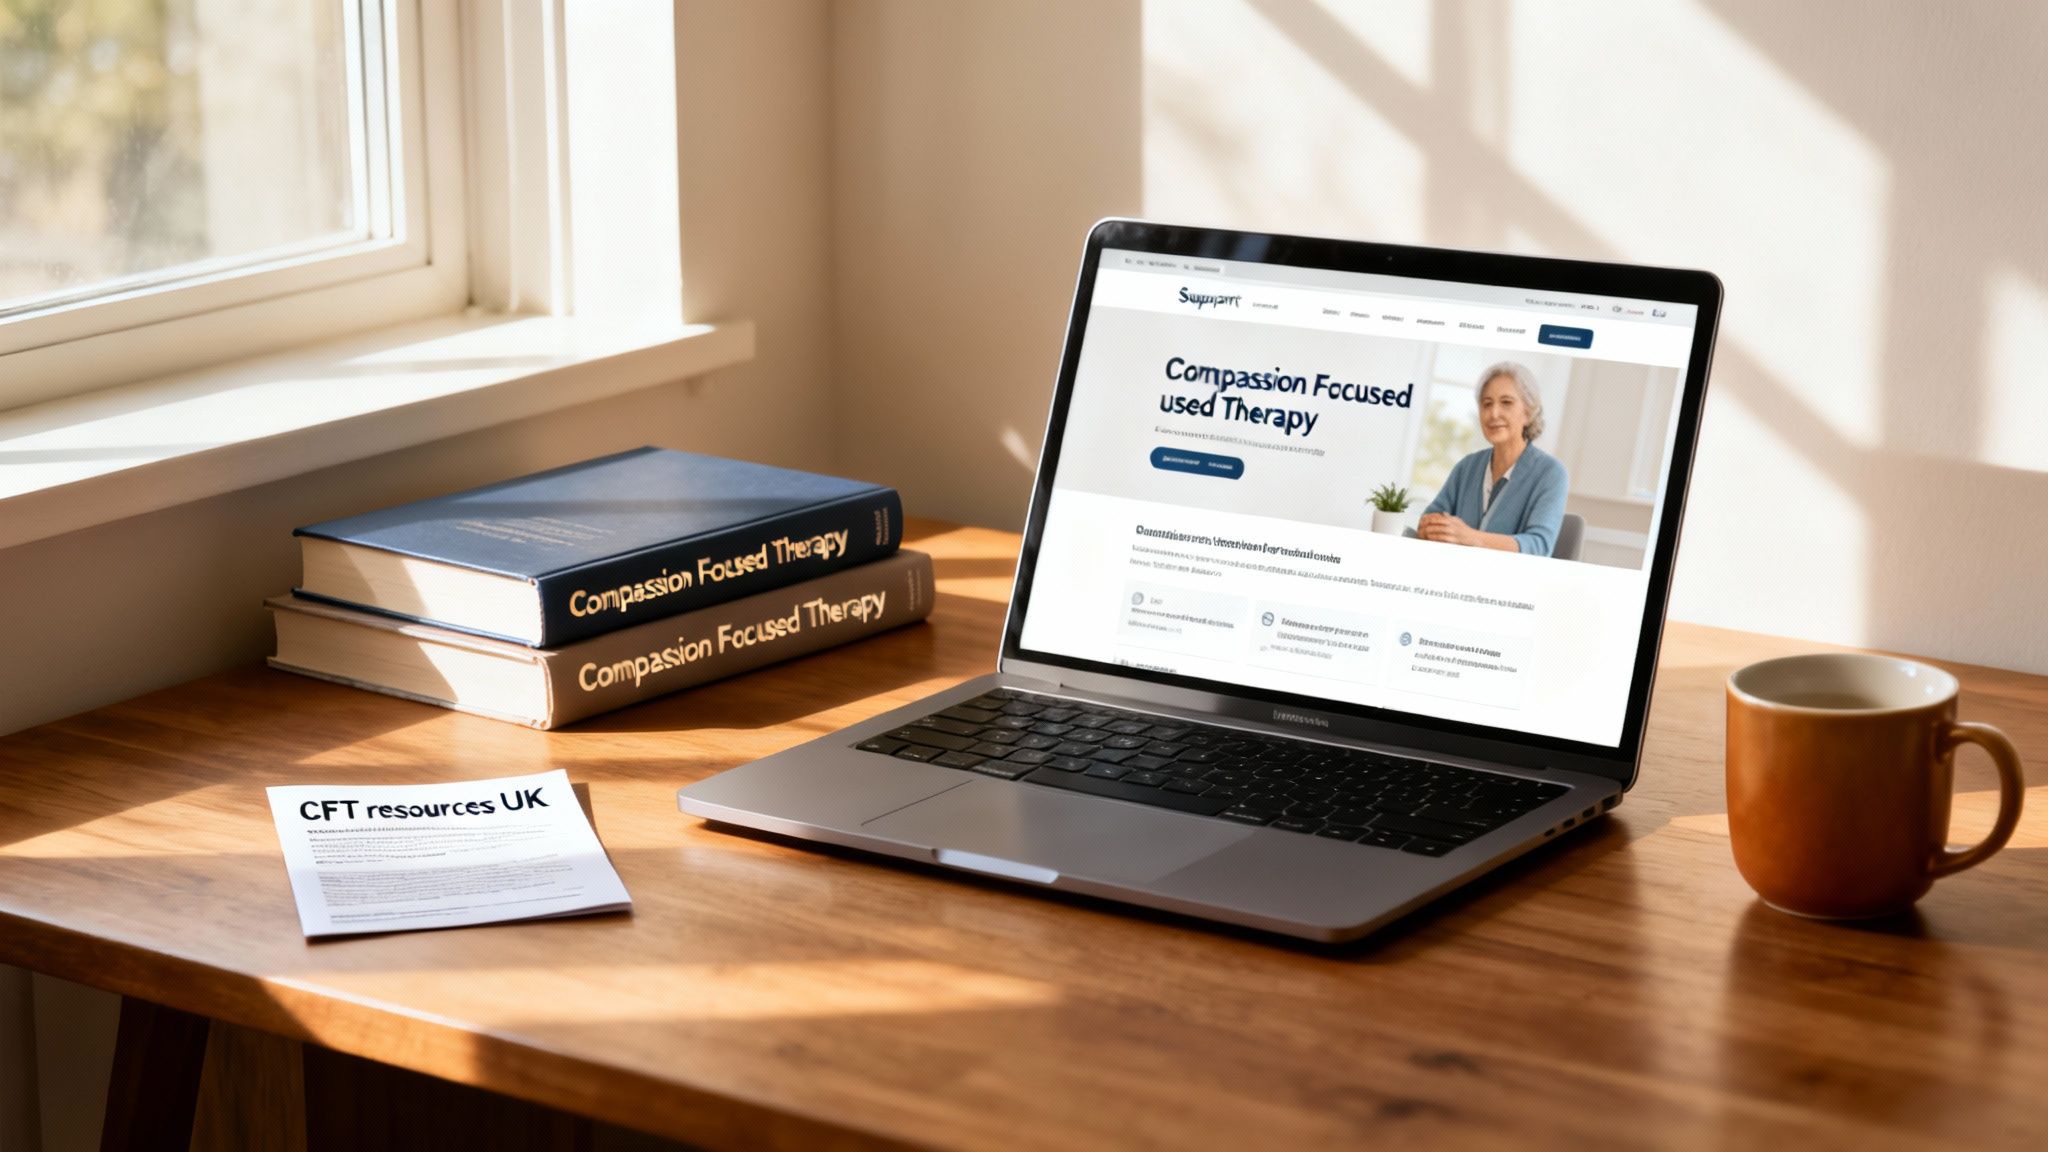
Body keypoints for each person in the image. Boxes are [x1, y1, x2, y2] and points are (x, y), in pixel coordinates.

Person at [1416, 361, 1569, 556]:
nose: (1493, 413)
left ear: (1528, 412)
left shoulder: (1551, 473)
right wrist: (1429, 527)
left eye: (1506, 402)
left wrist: (1470, 537)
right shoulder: (1466, 467)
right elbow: (1430, 517)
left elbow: (1539, 546)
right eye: (1487, 404)